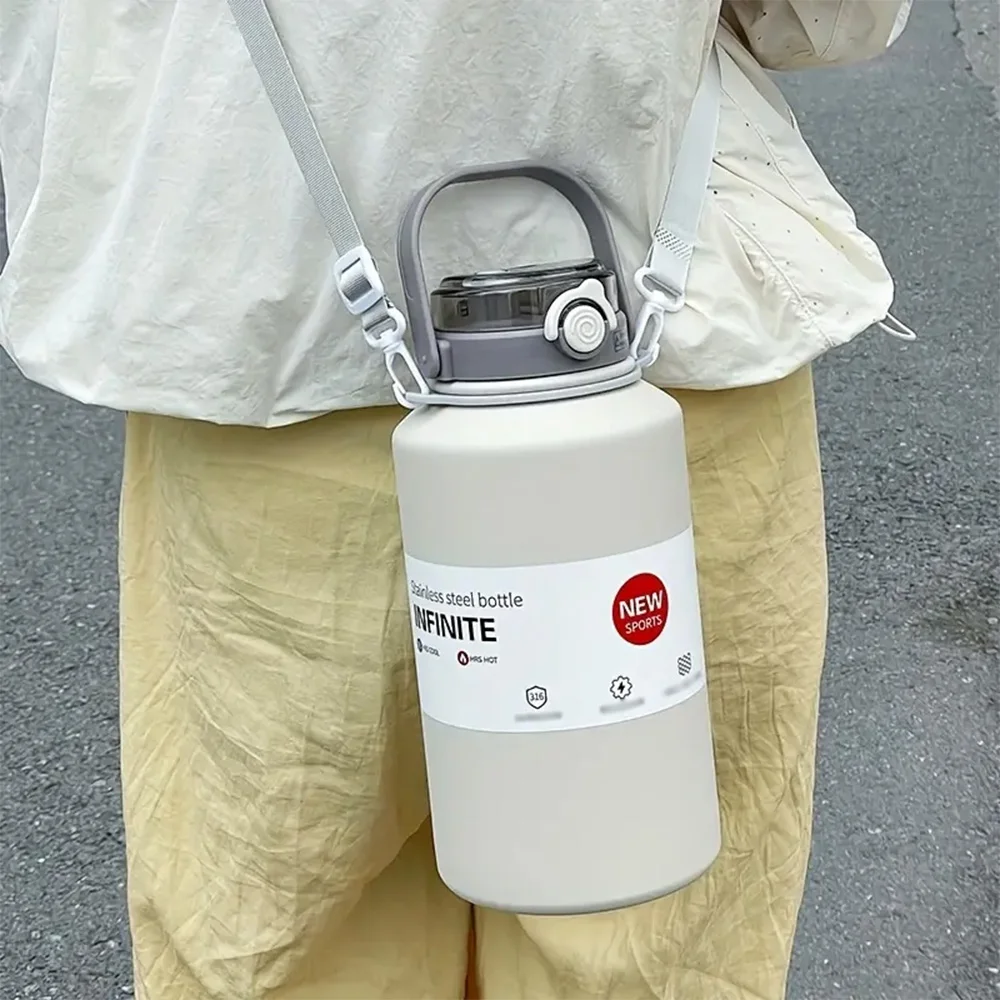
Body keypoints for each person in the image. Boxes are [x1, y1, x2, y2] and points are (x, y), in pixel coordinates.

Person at [0, 1, 912, 997]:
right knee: (642, 943)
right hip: (648, 351)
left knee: (275, 937)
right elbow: (827, 20)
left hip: (254, 348)